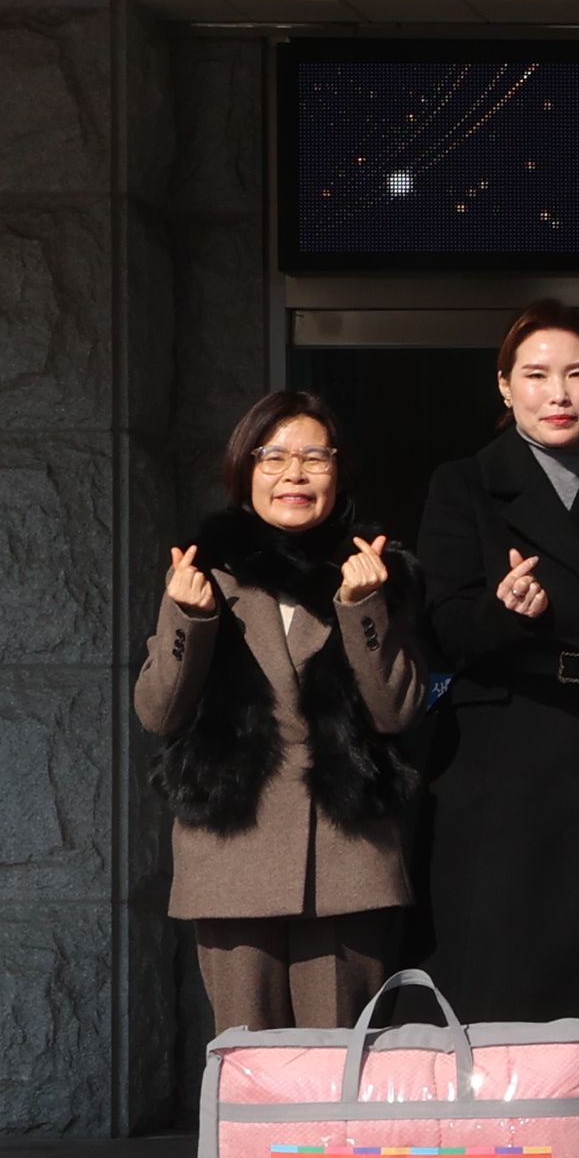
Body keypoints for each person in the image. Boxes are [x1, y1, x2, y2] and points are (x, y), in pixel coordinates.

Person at [412, 300, 579, 1033]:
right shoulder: (463, 484)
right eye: (536, 375)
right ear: (504, 386)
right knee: (503, 979)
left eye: (577, 373)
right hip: (500, 759)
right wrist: (506, 613)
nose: (558, 394)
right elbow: (442, 629)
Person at [139, 391, 426, 1033]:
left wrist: (362, 608)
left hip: (347, 859)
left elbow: (397, 711)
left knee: (342, 1066)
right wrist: (190, 618)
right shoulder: (205, 572)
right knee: (252, 1068)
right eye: (273, 457)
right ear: (244, 470)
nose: (293, 474)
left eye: (314, 457)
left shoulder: (377, 572)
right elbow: (159, 711)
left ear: (339, 472)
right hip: (234, 853)